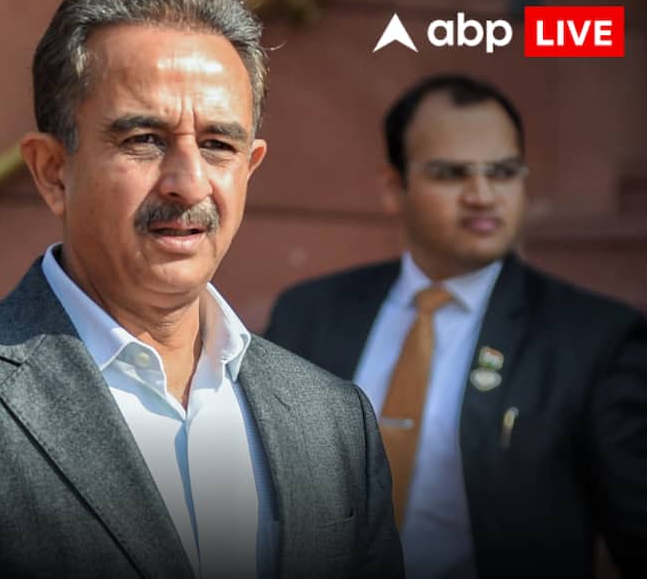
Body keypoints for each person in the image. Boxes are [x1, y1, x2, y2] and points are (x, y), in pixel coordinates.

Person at [0, 0, 403, 578]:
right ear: (52, 172)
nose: (189, 183)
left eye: (218, 145)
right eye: (144, 140)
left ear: (250, 168)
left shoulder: (334, 420)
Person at [265, 73, 647, 578]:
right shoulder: (309, 313)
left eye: (503, 172)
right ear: (393, 188)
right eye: (451, 173)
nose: (483, 195)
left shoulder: (593, 338)